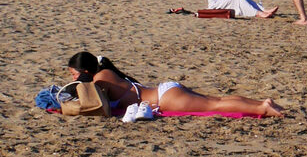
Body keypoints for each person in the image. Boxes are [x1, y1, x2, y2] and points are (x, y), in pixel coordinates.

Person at [65, 51, 284, 118]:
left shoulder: (100, 79)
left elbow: (96, 106)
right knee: (214, 100)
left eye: (74, 74)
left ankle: (261, 108)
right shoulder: (106, 72)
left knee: (214, 105)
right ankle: (262, 102)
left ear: (85, 71)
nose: (74, 79)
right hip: (165, 89)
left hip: (164, 98)